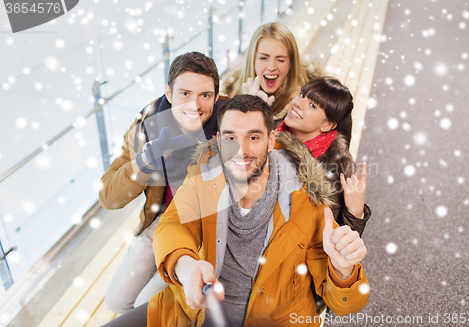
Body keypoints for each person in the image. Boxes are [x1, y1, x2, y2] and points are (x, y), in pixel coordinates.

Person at [102, 94, 369, 327]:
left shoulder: (306, 199)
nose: (241, 151)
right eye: (231, 137)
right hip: (193, 314)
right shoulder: (203, 175)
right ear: (219, 141)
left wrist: (343, 271)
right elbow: (172, 224)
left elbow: (345, 304)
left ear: (271, 140)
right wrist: (185, 265)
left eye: (253, 137)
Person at [99, 51, 224, 314]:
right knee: (116, 302)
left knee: (146, 307)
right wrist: (144, 164)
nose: (195, 105)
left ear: (216, 96)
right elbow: (108, 197)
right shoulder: (146, 126)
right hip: (158, 221)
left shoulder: (229, 127)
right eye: (185, 93)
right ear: (168, 92)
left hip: (198, 232)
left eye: (205, 95)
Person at [221, 22, 352, 142]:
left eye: (281, 60)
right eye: (263, 58)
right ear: (252, 60)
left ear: (291, 63)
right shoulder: (226, 96)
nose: (271, 67)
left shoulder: (321, 99)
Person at [274, 77, 371, 236]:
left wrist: (356, 213)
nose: (298, 103)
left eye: (312, 105)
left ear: (327, 125)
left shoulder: (336, 173)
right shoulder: (271, 128)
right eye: (302, 95)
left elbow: (338, 244)